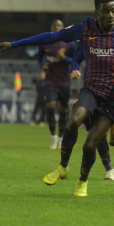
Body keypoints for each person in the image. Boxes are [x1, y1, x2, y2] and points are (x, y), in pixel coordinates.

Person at [0, 0, 114, 197]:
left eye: (113, 10)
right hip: (92, 89)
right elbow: (52, 37)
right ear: (96, 12)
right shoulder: (86, 28)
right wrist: (15, 44)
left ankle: (82, 181)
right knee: (73, 121)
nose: (111, 14)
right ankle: (62, 167)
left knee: (93, 143)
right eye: (105, 11)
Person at [38, 19, 77, 149]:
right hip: (50, 80)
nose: (57, 27)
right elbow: (39, 57)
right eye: (54, 25)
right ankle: (53, 137)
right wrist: (42, 66)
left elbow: (76, 60)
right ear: (51, 27)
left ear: (63, 28)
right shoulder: (45, 42)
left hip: (64, 81)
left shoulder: (69, 44)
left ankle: (60, 138)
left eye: (59, 26)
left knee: (63, 110)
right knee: (50, 105)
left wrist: (64, 59)